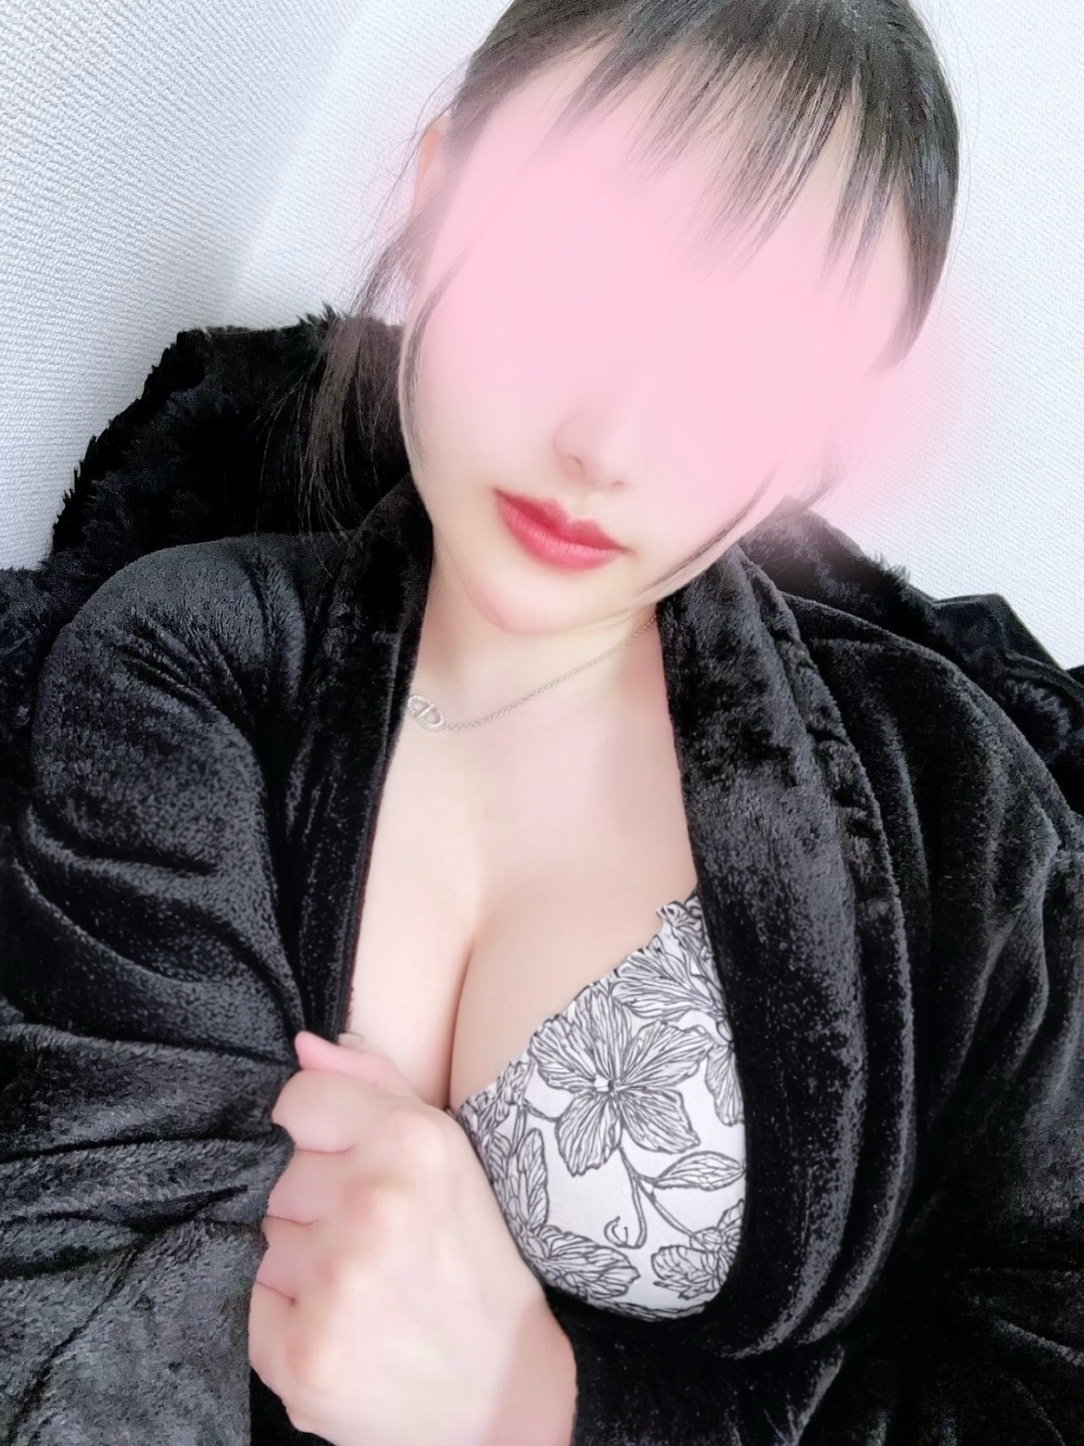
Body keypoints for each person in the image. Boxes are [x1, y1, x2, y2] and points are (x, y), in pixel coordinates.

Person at [2, 3, 1083, 1444]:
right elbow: (84, 1284)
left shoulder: (952, 806)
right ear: (441, 190)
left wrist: (547, 1400)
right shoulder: (190, 659)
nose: (609, 439)